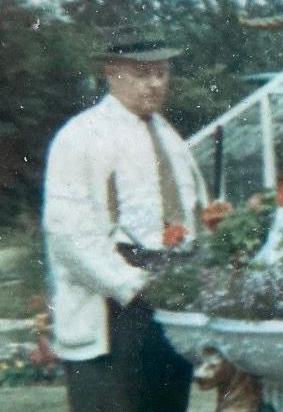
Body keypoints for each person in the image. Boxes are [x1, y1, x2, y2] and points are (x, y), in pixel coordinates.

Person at [43, 23, 208, 411]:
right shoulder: (81, 136)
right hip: (114, 304)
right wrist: (132, 286)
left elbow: (192, 211)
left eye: (161, 72)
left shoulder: (169, 137)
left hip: (169, 297)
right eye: (140, 73)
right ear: (111, 72)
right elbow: (68, 233)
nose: (153, 84)